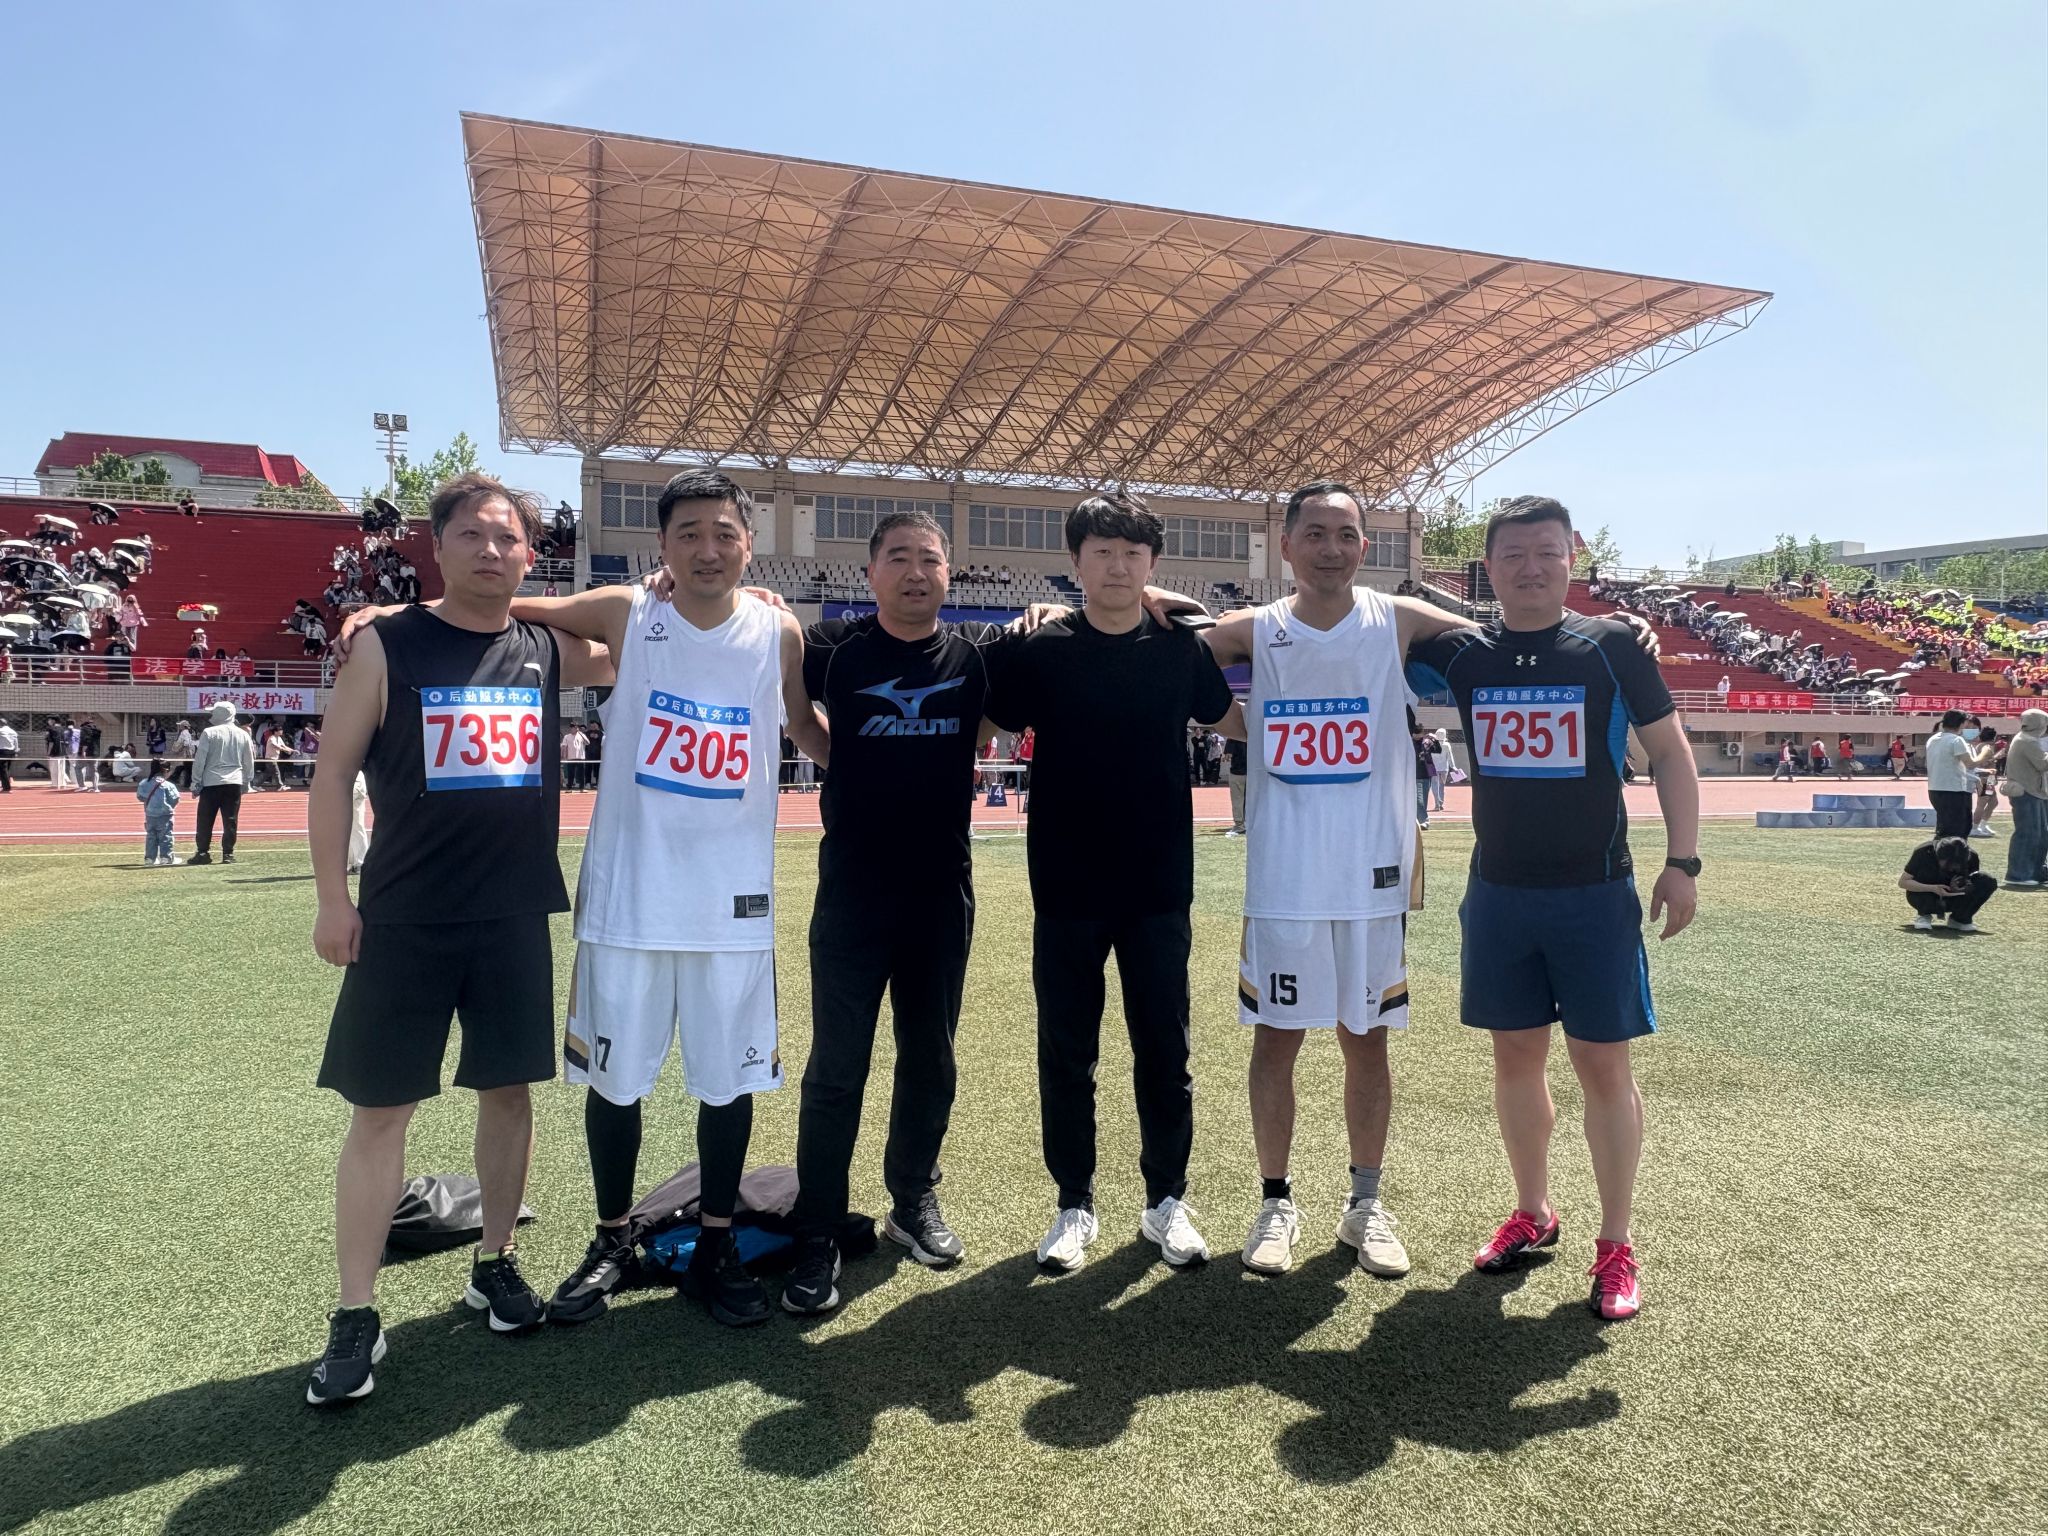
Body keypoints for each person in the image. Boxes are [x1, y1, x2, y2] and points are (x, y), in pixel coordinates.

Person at [490, 469, 825, 1330]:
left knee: (727, 1083)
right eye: (688, 535)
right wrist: (391, 616)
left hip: (733, 907)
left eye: (724, 534)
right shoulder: (629, 612)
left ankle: (716, 1245)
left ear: (749, 543)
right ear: (662, 546)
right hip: (629, 901)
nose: (707, 550)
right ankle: (611, 1238)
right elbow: (507, 607)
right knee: (615, 1084)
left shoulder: (778, 630)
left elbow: (805, 728)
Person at [304, 471, 611, 1406]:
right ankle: (356, 1313)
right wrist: (331, 899)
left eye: (507, 537)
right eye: (472, 534)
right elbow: (331, 778)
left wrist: (748, 601)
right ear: (436, 547)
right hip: (403, 920)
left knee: (509, 1095)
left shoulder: (545, 648)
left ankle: (496, 1260)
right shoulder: (386, 646)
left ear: (529, 555)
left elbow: (641, 633)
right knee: (381, 1113)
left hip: (513, 915)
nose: (490, 550)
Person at [1408, 495, 1701, 1323]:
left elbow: (1671, 753)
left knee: (1604, 1068)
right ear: (1487, 569)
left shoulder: (1612, 646)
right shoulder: (1462, 654)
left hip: (1595, 894)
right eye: (1513, 555)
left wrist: (1683, 862)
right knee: (1514, 1061)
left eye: (1546, 552)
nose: (1531, 568)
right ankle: (1533, 1211)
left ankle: (1616, 1243)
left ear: (1573, 556)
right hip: (1499, 895)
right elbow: (1381, 616)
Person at [1197, 480, 1495, 1282]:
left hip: (1371, 879)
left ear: (1366, 546)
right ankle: (1275, 1202)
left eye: (1346, 534)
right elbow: (1164, 646)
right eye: (1316, 533)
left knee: (1367, 1043)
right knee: (1277, 1040)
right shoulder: (1255, 630)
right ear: (1286, 545)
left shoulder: (1395, 619)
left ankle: (1365, 1203)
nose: (1331, 548)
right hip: (1285, 879)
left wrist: (1618, 631)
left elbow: (1506, 636)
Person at [777, 509, 1022, 1315]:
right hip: (853, 892)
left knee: (930, 1058)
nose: (916, 572)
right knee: (835, 1068)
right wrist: (837, 755)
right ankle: (817, 1231)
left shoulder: (976, 657)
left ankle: (912, 1200)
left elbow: (989, 726)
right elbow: (797, 712)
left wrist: (1043, 613)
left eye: (931, 559)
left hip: (940, 893)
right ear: (871, 571)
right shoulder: (833, 648)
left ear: (950, 573)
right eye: (899, 558)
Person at [983, 492, 1234, 1272]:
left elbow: (1229, 715)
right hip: (1066, 884)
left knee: (1166, 1051)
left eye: (1132, 553)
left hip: (1158, 884)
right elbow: (987, 717)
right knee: (1067, 1053)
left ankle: (1167, 1202)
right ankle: (1073, 1204)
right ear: (1075, 562)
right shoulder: (1040, 649)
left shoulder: (1181, 648)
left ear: (1152, 563)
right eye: (1102, 552)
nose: (1117, 567)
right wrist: (1017, 625)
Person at [186, 701, 254, 862]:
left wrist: (195, 782)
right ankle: (228, 854)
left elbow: (200, 760)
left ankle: (203, 853)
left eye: (214, 712)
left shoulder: (209, 733)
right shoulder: (243, 734)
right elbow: (249, 761)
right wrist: (247, 781)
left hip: (211, 782)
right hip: (234, 781)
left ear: (221, 714)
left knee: (205, 819)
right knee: (230, 819)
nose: (211, 715)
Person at [1898, 835, 1997, 934]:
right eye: (1949, 863)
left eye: (1959, 863)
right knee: (1923, 876)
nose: (1953, 867)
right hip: (1925, 895)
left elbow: (1971, 883)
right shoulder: (1924, 852)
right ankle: (1924, 914)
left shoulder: (1972, 857)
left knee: (1987, 880)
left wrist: (1963, 888)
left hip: (1954, 897)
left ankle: (1960, 918)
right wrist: (1932, 888)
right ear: (1938, 856)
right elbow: (1903, 882)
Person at [2002, 710, 2047, 889]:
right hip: (2027, 792)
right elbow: (2043, 764)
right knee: (2028, 833)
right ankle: (2018, 874)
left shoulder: (2024, 739)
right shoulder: (2027, 742)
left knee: (2039, 834)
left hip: (2032, 792)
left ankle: (2035, 871)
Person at [1923, 710, 1975, 840]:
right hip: (1953, 790)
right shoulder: (1956, 740)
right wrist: (1985, 753)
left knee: (1944, 828)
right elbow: (1970, 763)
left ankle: (1939, 851)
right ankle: (1951, 853)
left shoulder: (1933, 739)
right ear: (1961, 724)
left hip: (1935, 789)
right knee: (1958, 830)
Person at [136, 758, 182, 867]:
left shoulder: (144, 783)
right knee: (166, 836)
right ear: (166, 770)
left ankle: (150, 858)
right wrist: (169, 806)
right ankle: (166, 857)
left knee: (151, 836)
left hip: (150, 814)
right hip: (165, 815)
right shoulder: (168, 785)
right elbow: (175, 798)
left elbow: (140, 796)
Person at [1969, 727, 2001, 837]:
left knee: (1993, 802)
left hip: (1989, 778)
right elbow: (1982, 764)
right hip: (1984, 778)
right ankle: (1974, 828)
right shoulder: (1985, 747)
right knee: (1982, 803)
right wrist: (1996, 757)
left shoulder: (1983, 746)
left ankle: (1982, 824)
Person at [1410, 716, 1434, 828]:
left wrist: (1434, 740)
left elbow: (1437, 750)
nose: (1418, 735)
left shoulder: (1426, 743)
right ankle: (1424, 820)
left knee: (1423, 799)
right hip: (1415, 775)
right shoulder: (1410, 743)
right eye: (1416, 733)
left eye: (1419, 733)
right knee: (1418, 799)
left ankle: (1419, 820)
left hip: (1426, 774)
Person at [1224, 732, 1247, 836]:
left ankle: (1239, 825)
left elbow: (1228, 756)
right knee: (1251, 801)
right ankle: (1249, 823)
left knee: (1237, 800)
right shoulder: (1255, 734)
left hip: (1237, 772)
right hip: (1253, 773)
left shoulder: (1233, 736)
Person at [559, 722, 589, 791]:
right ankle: (569, 788)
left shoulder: (582, 735)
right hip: (571, 757)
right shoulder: (567, 736)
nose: (574, 729)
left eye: (575, 727)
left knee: (581, 773)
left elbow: (587, 743)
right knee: (571, 773)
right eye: (572, 727)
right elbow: (564, 746)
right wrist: (563, 756)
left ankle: (582, 788)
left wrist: (581, 734)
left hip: (580, 757)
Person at [0, 715, 16, 792]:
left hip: (2, 751)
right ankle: (5, 784)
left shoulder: (1, 731)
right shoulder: (13, 731)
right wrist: (16, 751)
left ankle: (6, 788)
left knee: (3, 769)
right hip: (11, 752)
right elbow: (16, 743)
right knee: (6, 769)